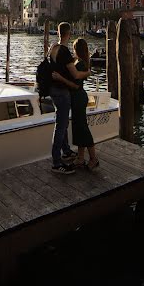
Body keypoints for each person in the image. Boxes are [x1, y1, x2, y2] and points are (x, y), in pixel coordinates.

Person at [47, 22, 90, 174]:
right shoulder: (65, 52)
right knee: (61, 125)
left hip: (52, 89)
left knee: (63, 124)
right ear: (69, 34)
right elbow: (76, 75)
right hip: (62, 91)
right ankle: (56, 162)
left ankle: (65, 151)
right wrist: (87, 73)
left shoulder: (53, 48)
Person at [54, 38, 98, 170]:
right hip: (76, 98)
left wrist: (60, 78)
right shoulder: (78, 61)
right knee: (78, 128)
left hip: (79, 97)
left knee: (82, 127)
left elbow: (76, 81)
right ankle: (80, 157)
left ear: (76, 49)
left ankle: (93, 158)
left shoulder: (81, 64)